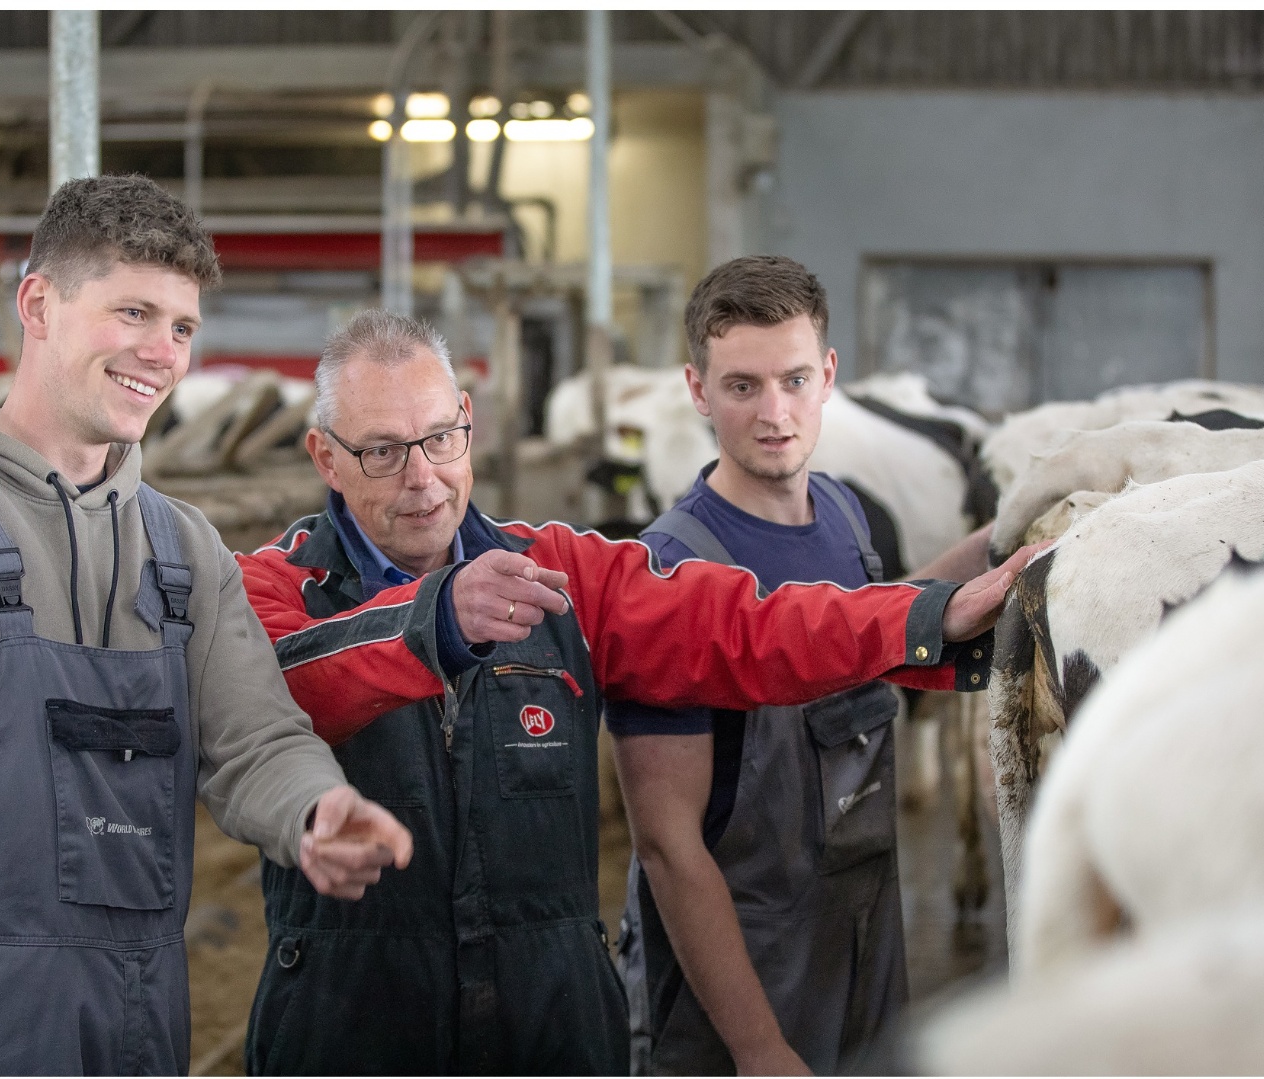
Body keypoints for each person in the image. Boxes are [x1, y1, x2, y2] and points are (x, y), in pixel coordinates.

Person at [232, 309, 1043, 1074]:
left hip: (549, 1020)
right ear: (324, 456)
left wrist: (929, 616)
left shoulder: (562, 571)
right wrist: (434, 618)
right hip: (353, 1020)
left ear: (468, 420)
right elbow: (291, 683)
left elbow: (745, 624)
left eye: (441, 438)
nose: (423, 478)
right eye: (382, 451)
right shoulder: (271, 591)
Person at [0, 175, 413, 1076]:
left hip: (136, 1023)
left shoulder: (180, 547)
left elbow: (257, 739)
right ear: (38, 303)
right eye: (133, 311)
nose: (161, 351)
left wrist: (316, 806)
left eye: (183, 327)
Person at [612, 255, 995, 1076]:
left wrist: (1012, 545)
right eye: (742, 386)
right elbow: (667, 845)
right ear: (697, 388)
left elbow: (879, 625)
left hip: (861, 932)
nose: (774, 414)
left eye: (792, 379)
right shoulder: (669, 573)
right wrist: (758, 1048)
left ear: (827, 376)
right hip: (738, 973)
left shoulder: (845, 513)